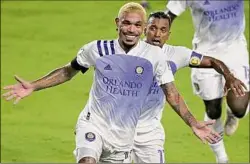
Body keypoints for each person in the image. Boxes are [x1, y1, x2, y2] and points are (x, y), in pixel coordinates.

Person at [2, 2, 220, 164]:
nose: (131, 30)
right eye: (126, 23)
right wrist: (33, 85)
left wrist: (193, 122)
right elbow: (68, 72)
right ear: (117, 24)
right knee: (87, 160)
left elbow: (172, 94)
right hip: (94, 123)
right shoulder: (97, 49)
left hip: (123, 136)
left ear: (143, 28)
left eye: (137, 25)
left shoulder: (155, 57)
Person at [131, 11, 247, 163]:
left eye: (163, 30)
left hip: (149, 132)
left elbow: (211, 61)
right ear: (145, 29)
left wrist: (228, 76)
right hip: (117, 127)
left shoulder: (176, 54)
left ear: (168, 34)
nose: (157, 34)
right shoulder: (128, 50)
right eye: (153, 28)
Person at [165, 0, 250, 163]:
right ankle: (222, 158)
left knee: (239, 108)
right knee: (213, 110)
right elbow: (169, 14)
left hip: (235, 50)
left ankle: (233, 113)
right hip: (205, 52)